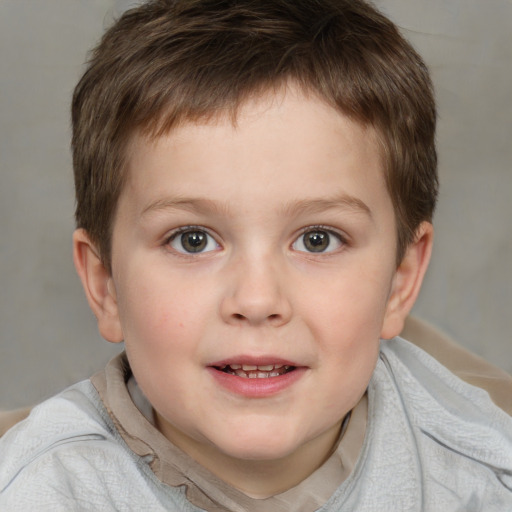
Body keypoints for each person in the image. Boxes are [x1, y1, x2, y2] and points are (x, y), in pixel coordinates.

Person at [1, 0, 511, 510]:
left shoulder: (483, 481)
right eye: (193, 240)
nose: (257, 299)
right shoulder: (40, 493)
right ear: (105, 283)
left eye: (318, 239)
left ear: (400, 280)